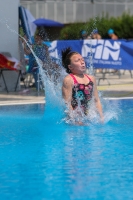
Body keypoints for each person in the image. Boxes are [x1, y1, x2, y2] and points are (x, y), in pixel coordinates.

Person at [62, 47, 104, 124]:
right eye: (77, 60)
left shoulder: (91, 78)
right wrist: (75, 121)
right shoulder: (69, 80)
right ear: (70, 67)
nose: (82, 62)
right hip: (73, 119)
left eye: (82, 59)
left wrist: (101, 117)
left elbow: (96, 100)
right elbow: (67, 104)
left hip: (87, 117)